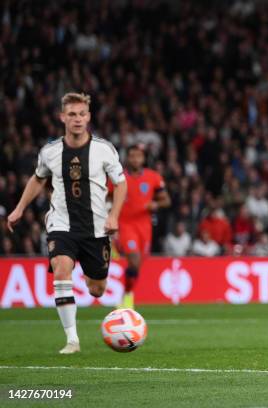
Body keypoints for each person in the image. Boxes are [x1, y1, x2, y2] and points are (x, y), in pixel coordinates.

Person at [7, 92, 127, 354]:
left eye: (82, 114)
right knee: (61, 268)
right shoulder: (50, 152)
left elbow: (120, 184)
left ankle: (89, 273)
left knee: (97, 289)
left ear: (89, 117)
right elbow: (38, 179)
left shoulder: (103, 149)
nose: (77, 119)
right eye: (72, 114)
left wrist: (114, 214)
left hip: (96, 228)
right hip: (61, 225)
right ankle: (72, 340)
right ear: (62, 117)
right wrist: (19, 208)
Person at [113, 144, 170, 309]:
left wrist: (156, 205)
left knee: (137, 266)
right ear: (127, 158)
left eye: (138, 156)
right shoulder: (118, 178)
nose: (135, 159)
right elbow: (107, 196)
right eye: (132, 156)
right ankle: (127, 296)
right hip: (125, 225)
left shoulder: (153, 177)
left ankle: (127, 293)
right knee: (134, 259)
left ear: (143, 158)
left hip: (144, 227)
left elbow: (166, 200)